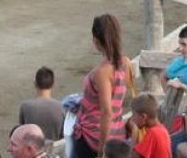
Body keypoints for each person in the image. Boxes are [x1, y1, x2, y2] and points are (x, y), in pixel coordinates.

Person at [73, 15, 131, 158]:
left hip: (94, 136)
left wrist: (101, 151)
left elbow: (107, 112)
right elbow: (120, 95)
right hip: (117, 131)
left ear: (95, 40)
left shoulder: (102, 72)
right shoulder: (126, 62)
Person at [19, 67, 64, 141]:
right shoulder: (61, 107)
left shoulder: (25, 106)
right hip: (53, 150)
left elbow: (22, 131)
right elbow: (63, 135)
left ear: (35, 83)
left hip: (32, 150)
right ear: (53, 84)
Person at [127, 94, 170, 158]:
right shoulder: (161, 129)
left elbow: (133, 156)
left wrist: (134, 131)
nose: (132, 119)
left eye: (134, 115)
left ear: (144, 117)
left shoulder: (153, 133)